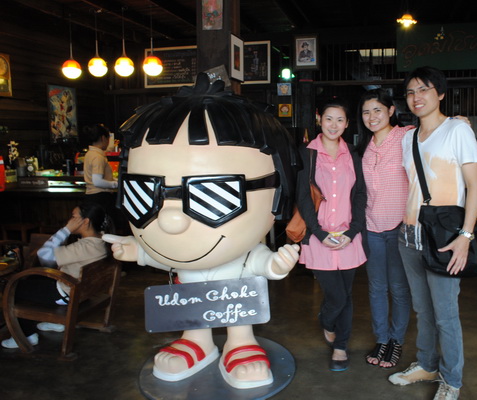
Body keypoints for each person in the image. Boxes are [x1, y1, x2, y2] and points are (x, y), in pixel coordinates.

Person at [102, 73, 300, 389]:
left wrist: (274, 265)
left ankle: (240, 343)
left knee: (238, 314)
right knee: (191, 312)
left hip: (236, 293)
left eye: (212, 194)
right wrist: (138, 251)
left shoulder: (244, 247)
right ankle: (197, 342)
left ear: (278, 190)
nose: (171, 220)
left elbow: (258, 262)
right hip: (189, 293)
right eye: (144, 193)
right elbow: (162, 258)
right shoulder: (168, 238)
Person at [388, 66, 477, 400]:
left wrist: (466, 236)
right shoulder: (408, 137)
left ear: (440, 93)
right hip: (409, 234)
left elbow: (475, 185)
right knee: (423, 311)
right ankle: (427, 365)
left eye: (424, 89)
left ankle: (452, 380)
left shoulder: (457, 130)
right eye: (411, 92)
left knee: (446, 315)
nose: (417, 97)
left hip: (444, 237)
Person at [297, 97, 367, 372]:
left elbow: (359, 194)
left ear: (347, 124)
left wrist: (353, 230)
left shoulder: (354, 155)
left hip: (348, 236)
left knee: (346, 295)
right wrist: (318, 232)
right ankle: (326, 322)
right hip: (319, 237)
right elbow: (303, 197)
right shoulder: (307, 154)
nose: (334, 125)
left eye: (340, 120)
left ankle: (341, 346)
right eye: (329, 118)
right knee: (336, 296)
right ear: (319, 119)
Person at [1, 202, 111, 349]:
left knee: (13, 287)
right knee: (31, 278)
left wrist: (66, 230)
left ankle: (27, 335)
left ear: (85, 222)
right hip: (82, 291)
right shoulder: (101, 241)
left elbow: (44, 255)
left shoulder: (84, 247)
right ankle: (55, 322)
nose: (69, 221)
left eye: (73, 217)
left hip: (67, 293)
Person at [357, 88, 414, 369]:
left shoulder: (407, 136)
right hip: (371, 227)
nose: (371, 117)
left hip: (399, 227)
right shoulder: (365, 146)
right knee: (377, 288)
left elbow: (437, 132)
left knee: (399, 289)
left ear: (391, 111)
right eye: (366, 112)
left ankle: (396, 341)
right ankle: (381, 339)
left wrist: (457, 122)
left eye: (377, 110)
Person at [81, 124, 118, 216]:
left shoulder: (90, 153)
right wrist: (115, 184)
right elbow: (97, 181)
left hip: (92, 197)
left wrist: (114, 180)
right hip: (100, 197)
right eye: (108, 139)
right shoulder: (97, 156)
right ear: (103, 138)